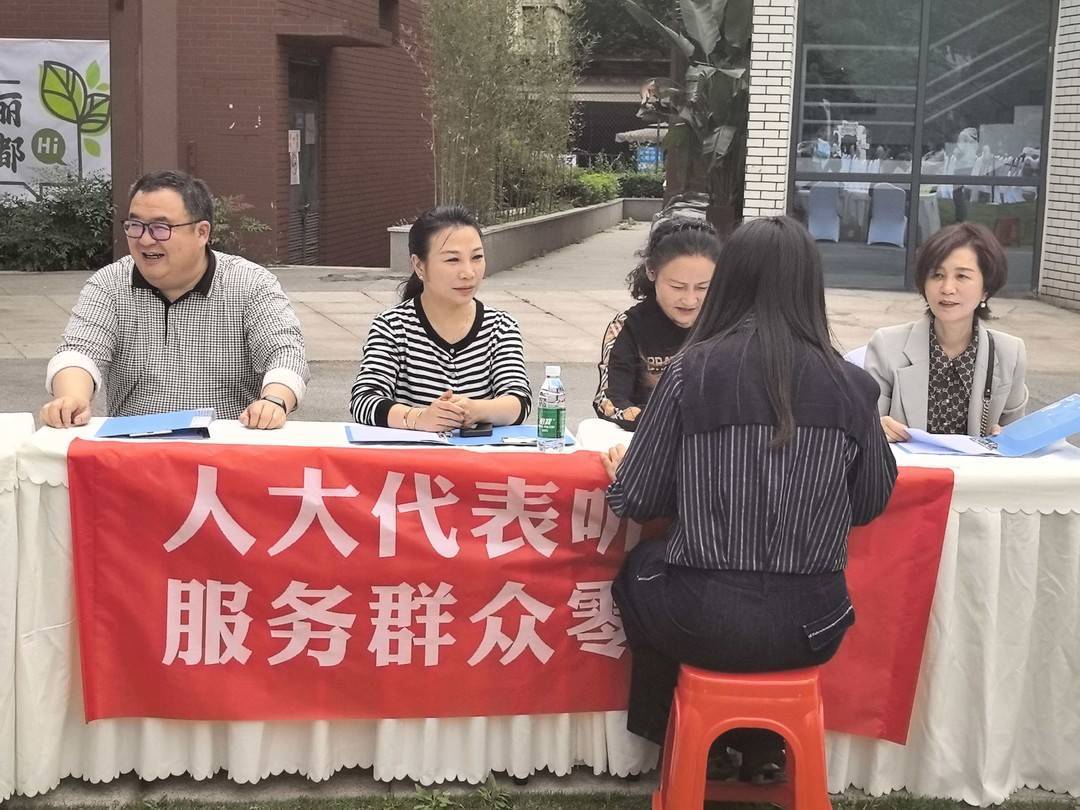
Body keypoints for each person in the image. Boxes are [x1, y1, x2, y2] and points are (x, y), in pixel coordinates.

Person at [601, 216, 897, 781]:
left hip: (702, 620)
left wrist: (629, 472)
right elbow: (868, 502)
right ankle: (761, 747)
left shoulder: (690, 373)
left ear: (730, 279)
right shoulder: (852, 386)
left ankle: (683, 739)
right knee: (735, 610)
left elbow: (638, 497)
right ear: (810, 287)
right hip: (817, 625)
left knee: (640, 568)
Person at [41, 169, 308, 429]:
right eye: (135, 226)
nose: (145, 240)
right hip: (135, 448)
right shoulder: (109, 284)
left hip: (224, 449)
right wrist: (71, 398)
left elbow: (286, 354)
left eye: (160, 228)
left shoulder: (251, 284)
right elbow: (79, 353)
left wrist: (274, 401)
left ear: (202, 233)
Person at [350, 205, 531, 431]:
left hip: (477, 453)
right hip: (413, 453)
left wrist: (474, 409)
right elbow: (364, 400)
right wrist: (419, 418)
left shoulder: (500, 327)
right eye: (452, 260)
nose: (468, 272)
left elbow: (519, 400)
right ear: (419, 265)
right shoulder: (392, 326)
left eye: (476, 257)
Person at [864, 222, 1028, 442]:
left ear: (985, 289)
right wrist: (875, 429)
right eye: (937, 275)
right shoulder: (887, 346)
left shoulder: (1010, 353)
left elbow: (1019, 438)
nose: (947, 288)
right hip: (903, 465)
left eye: (962, 276)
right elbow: (862, 428)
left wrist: (1007, 438)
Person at [593, 218, 721, 430]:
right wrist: (665, 423)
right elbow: (608, 401)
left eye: (702, 287)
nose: (690, 300)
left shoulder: (727, 325)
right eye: (677, 287)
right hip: (647, 437)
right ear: (651, 271)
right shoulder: (627, 327)